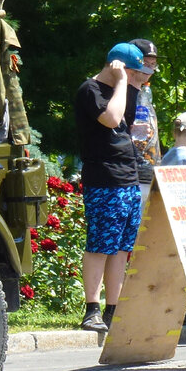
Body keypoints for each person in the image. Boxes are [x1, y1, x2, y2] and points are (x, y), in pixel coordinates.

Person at [73, 42, 155, 332]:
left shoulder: (127, 90)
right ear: (117, 66)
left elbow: (123, 122)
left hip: (128, 176)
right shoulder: (90, 90)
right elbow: (110, 119)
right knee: (101, 244)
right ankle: (91, 309)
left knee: (121, 248)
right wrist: (122, 81)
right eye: (134, 72)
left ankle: (113, 310)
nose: (137, 78)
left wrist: (131, 84)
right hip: (104, 178)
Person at [128, 39, 161, 209]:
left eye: (153, 64)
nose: (149, 69)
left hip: (150, 175)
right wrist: (131, 129)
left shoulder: (144, 93)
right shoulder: (121, 92)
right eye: (145, 63)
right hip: (130, 178)